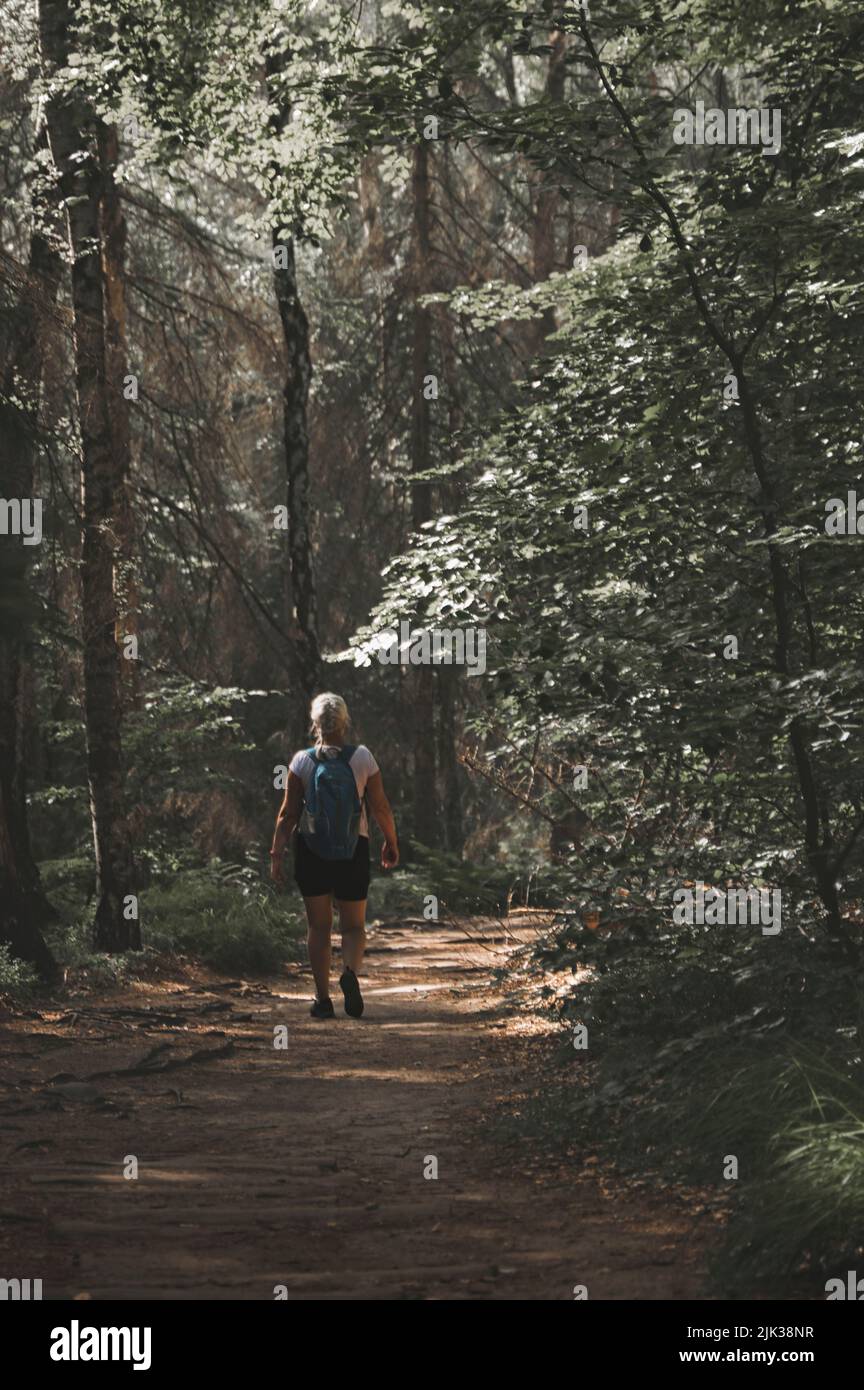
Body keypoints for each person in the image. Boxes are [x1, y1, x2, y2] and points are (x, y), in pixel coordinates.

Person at [270, 693, 399, 1019]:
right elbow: (380, 806)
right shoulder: (363, 758)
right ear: (345, 722)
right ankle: (350, 974)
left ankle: (322, 1000)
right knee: (354, 926)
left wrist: (277, 853)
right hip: (352, 849)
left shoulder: (301, 761)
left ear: (316, 724)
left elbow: (288, 815)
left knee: (319, 925)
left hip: (311, 852)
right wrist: (391, 842)